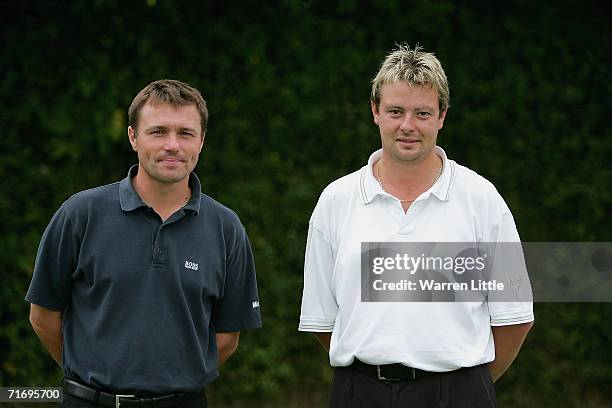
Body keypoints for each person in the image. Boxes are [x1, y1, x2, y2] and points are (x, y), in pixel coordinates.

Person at [299, 44, 534, 407]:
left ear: (442, 116)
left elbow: (514, 318)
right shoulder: (336, 201)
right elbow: (323, 322)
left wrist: (466, 383)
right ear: (375, 111)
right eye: (395, 111)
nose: (407, 125)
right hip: (359, 393)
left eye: (422, 113)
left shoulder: (482, 199)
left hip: (459, 393)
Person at [26, 79, 262, 408]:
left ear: (202, 141)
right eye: (158, 131)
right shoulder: (80, 214)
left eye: (185, 133)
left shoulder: (226, 228)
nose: (172, 145)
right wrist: (92, 374)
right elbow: (43, 315)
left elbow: (227, 338)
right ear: (133, 137)